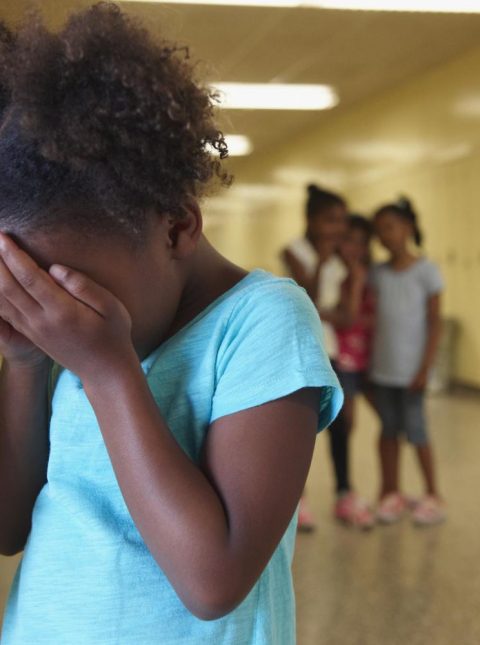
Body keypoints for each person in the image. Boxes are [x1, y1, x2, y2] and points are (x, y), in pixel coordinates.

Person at [0, 6, 343, 644]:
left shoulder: (264, 321)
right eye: (29, 294)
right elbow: (8, 527)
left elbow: (213, 582)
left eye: (73, 290)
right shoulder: (67, 342)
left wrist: (108, 374)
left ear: (177, 226)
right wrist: (24, 362)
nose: (55, 320)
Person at [371, 197, 445, 526]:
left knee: (417, 431)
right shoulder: (377, 274)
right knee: (388, 431)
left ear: (408, 228)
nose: (384, 236)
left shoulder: (427, 271)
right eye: (379, 231)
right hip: (382, 370)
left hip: (412, 371)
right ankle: (391, 492)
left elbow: (435, 323)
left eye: (390, 227)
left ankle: (433, 494)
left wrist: (425, 367)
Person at [282, 184, 347, 530]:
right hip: (303, 349)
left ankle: (344, 492)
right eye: (330, 220)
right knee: (302, 429)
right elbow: (308, 296)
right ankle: (298, 498)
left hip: (332, 349)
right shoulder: (294, 251)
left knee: (342, 426)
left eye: (341, 221)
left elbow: (345, 312)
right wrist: (321, 261)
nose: (337, 228)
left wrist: (331, 313)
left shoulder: (341, 256)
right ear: (310, 219)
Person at [322, 215, 376, 529]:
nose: (354, 248)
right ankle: (333, 492)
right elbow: (345, 315)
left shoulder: (361, 274)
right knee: (335, 424)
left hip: (358, 358)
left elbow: (352, 315)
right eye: (349, 240)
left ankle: (346, 491)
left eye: (361, 243)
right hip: (335, 354)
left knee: (346, 425)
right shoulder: (333, 271)